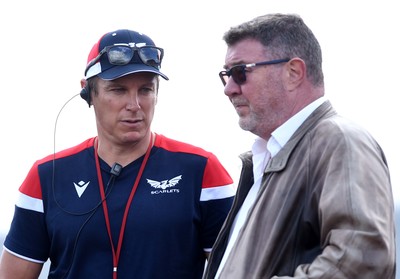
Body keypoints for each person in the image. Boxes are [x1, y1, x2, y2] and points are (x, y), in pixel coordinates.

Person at [0, 29, 235, 279]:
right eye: (118, 89)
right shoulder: (47, 175)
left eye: (145, 89)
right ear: (88, 92)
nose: (134, 105)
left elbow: (238, 270)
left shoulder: (202, 169)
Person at [203, 13, 396, 279]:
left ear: (293, 72)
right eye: (226, 75)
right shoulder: (268, 157)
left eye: (240, 72)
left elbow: (362, 261)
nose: (229, 89)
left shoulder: (340, 140)